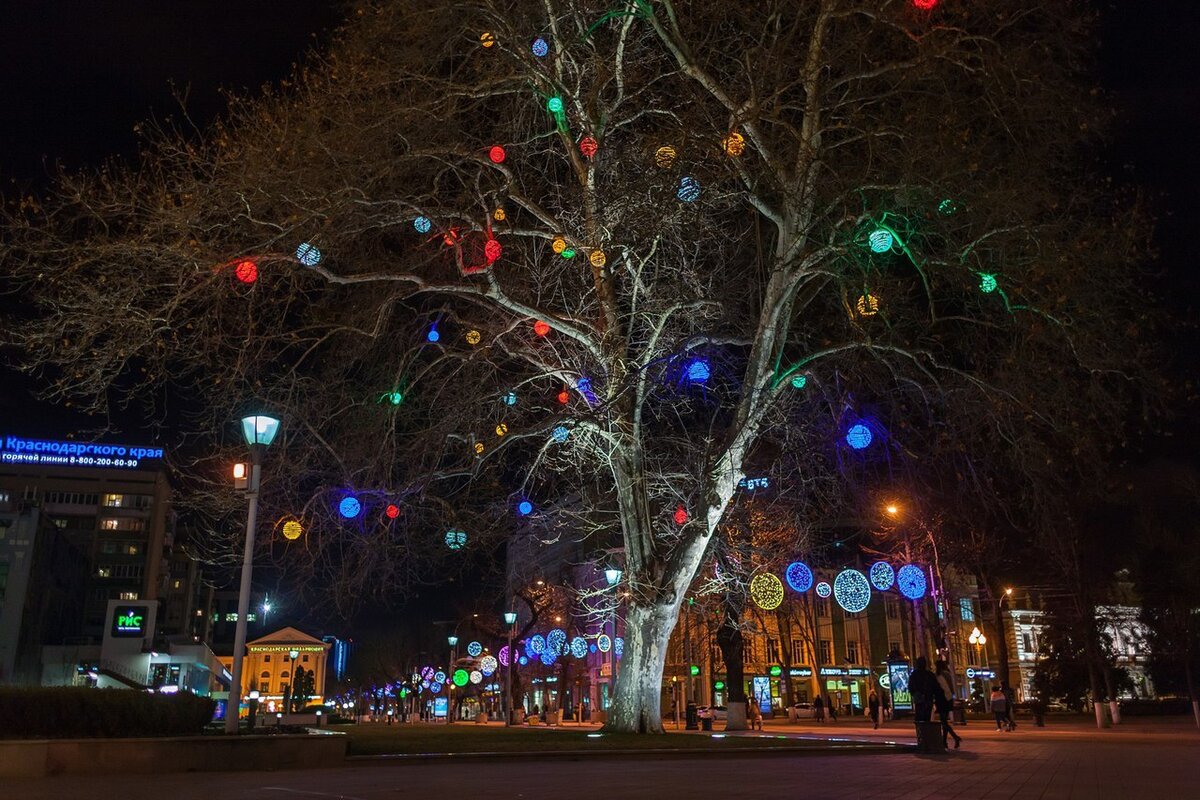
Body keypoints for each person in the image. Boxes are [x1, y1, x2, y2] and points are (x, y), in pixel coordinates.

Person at [935, 659, 962, 749]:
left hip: (943, 699)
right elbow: (951, 688)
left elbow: (943, 688)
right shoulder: (948, 674)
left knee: (943, 721)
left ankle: (955, 737)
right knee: (944, 721)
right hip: (948, 699)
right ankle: (944, 741)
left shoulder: (940, 675)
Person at [908, 657, 938, 724]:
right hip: (928, 699)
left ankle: (921, 732)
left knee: (919, 718)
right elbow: (935, 687)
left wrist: (915, 694)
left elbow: (910, 687)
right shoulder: (930, 674)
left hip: (919, 699)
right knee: (926, 718)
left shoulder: (914, 675)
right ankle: (925, 731)